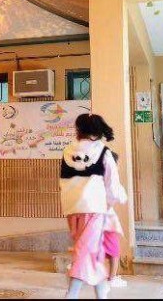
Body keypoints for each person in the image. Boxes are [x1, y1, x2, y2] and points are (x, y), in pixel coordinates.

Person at [60, 113, 124, 299]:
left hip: (72, 210)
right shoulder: (103, 151)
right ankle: (71, 294)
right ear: (97, 131)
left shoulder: (67, 151)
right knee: (85, 251)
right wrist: (112, 202)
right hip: (94, 209)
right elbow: (113, 185)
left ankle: (102, 294)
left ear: (79, 130)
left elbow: (63, 181)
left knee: (92, 251)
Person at [103, 149, 128, 289]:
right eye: (116, 163)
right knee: (114, 249)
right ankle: (112, 278)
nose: (118, 166)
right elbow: (119, 195)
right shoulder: (109, 178)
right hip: (106, 220)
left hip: (97, 219)